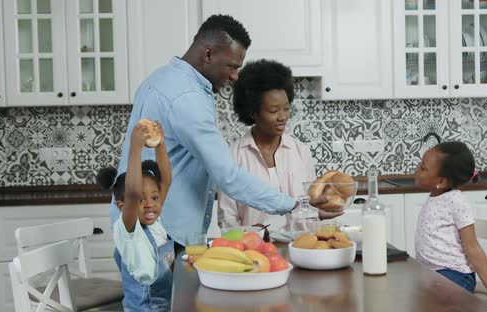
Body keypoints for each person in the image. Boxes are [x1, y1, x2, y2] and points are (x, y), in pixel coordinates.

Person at [110, 14, 334, 253]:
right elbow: (227, 176)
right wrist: (294, 205)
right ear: (208, 54)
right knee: (157, 293)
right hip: (160, 233)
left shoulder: (159, 79)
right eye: (232, 66)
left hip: (137, 227)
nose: (234, 76)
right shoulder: (187, 99)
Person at [218, 59, 343, 229]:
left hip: (299, 247)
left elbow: (309, 208)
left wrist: (319, 211)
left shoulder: (300, 152)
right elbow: (228, 219)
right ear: (253, 112)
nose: (282, 116)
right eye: (273, 110)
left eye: (286, 108)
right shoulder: (233, 156)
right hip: (254, 250)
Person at [414, 141, 487, 302]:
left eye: (423, 168)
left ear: (441, 182)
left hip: (455, 274)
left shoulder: (456, 201)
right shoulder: (435, 196)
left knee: (429, 302)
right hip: (431, 272)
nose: (417, 170)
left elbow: (472, 246)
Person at [97, 121, 174, 311]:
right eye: (141, 200)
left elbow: (166, 180)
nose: (150, 204)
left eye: (154, 197)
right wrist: (135, 148)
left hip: (166, 302)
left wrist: (161, 145)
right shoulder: (129, 229)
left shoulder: (154, 221)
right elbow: (132, 193)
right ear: (123, 207)